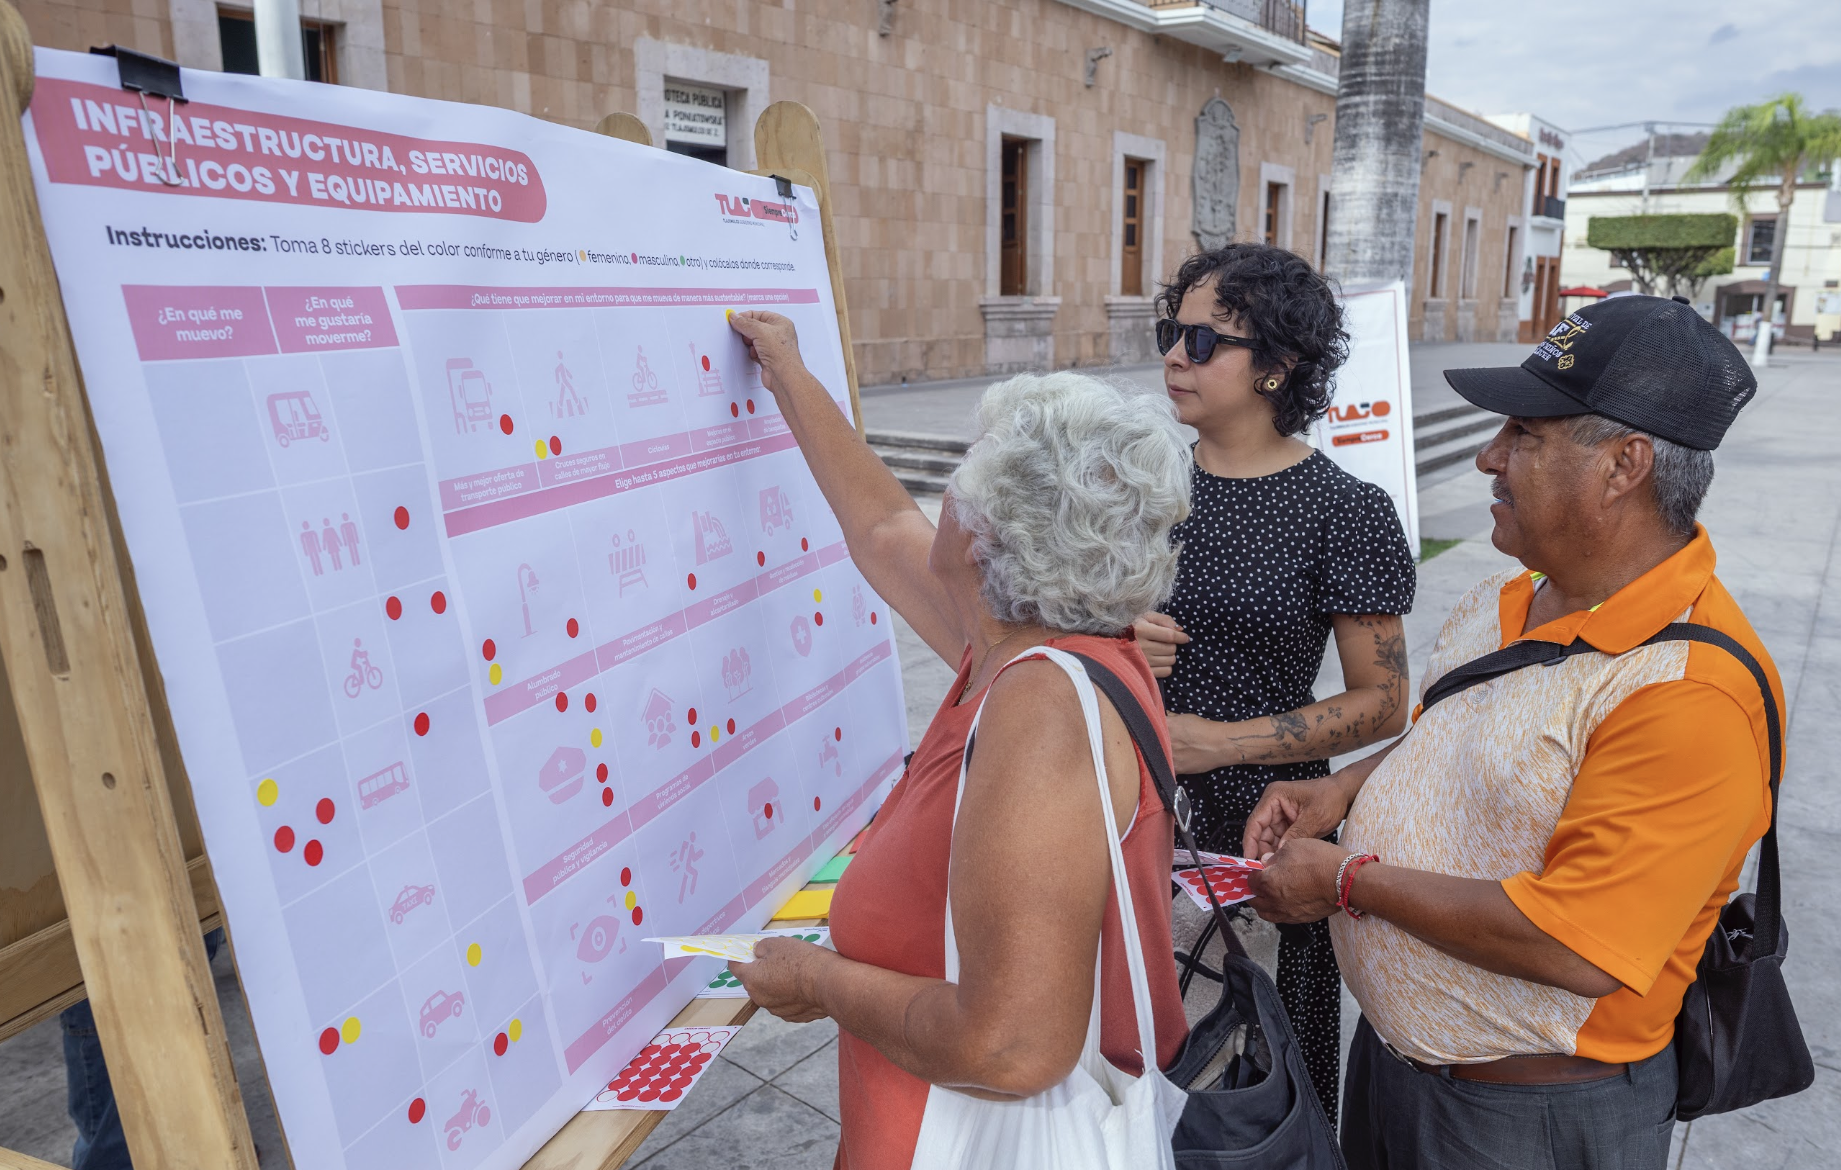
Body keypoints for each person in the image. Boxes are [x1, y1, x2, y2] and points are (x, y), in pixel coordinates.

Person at [1246, 295, 1775, 1169]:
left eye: (1523, 435)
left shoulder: (1689, 692)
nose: (1489, 456)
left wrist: (1345, 881)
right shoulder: (1510, 593)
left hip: (1524, 1118)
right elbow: (1449, 735)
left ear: (1624, 465)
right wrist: (1342, 789)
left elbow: (1576, 942)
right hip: (1402, 1065)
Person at [722, 310, 1193, 1169]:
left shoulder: (1040, 708)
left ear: (982, 534)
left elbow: (1009, 1049)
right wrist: (785, 367)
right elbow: (881, 529)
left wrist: (817, 981)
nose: (941, 500)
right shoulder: (1032, 645)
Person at [1133, 242, 1415, 1122]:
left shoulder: (1344, 510)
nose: (1175, 357)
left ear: (1277, 366)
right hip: (1122, 803)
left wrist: (1218, 743)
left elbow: (1383, 700)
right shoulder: (1134, 488)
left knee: (1245, 1089)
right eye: (1171, 333)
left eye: (1203, 341)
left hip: (1261, 824)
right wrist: (1111, 636)